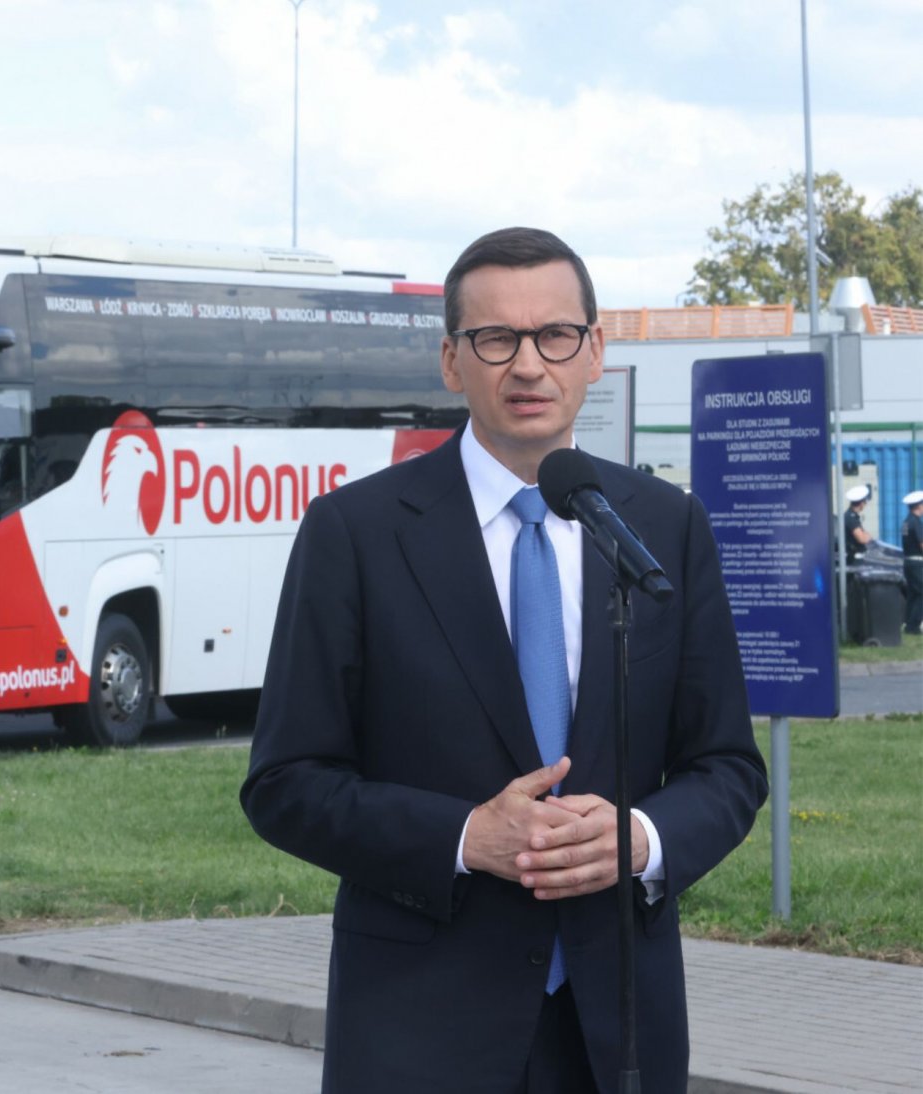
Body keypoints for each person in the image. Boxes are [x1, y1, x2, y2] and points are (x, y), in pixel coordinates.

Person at [242, 227, 768, 1093]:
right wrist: (463, 838)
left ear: (594, 351)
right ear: (452, 361)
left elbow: (728, 767)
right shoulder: (355, 534)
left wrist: (639, 840)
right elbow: (285, 783)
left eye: (555, 335)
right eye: (496, 339)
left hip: (617, 1034)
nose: (529, 365)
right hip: (420, 1032)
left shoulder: (665, 526)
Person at [903, 490, 923, 635]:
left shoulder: (906, 521)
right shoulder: (916, 523)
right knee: (921, 593)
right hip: (917, 563)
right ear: (918, 506)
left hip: (908, 562)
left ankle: (908, 623)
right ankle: (913, 626)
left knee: (913, 594)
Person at [843, 484, 872, 564]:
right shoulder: (851, 518)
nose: (865, 505)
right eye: (865, 502)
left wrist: (865, 535)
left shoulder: (851, 516)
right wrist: (868, 536)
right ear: (861, 503)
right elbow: (862, 539)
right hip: (854, 559)